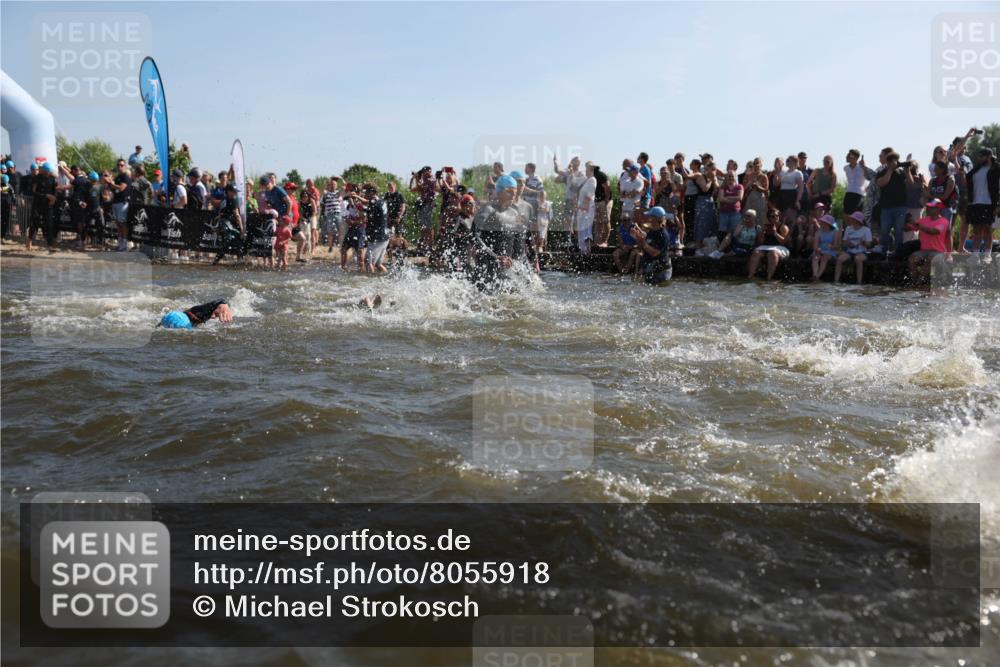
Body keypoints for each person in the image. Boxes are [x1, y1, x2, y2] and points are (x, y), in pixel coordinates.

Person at [460, 174, 530, 291]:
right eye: (509, 191)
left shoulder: (516, 213)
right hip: (486, 267)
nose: (513, 194)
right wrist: (496, 256)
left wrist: (527, 264)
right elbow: (473, 235)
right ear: (499, 192)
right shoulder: (487, 210)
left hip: (506, 269)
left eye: (515, 191)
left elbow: (522, 239)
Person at [964, 148, 999, 263]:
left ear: (989, 156)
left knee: (988, 229)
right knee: (977, 230)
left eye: (982, 156)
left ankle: (987, 255)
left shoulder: (996, 169)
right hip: (975, 203)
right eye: (979, 156)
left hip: (989, 203)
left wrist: (998, 205)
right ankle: (975, 255)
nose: (979, 159)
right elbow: (967, 182)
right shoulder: (976, 170)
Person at [908, 199, 951, 284]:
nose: (928, 209)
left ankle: (920, 282)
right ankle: (914, 280)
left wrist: (918, 225)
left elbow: (933, 232)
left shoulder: (944, 221)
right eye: (928, 207)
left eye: (931, 207)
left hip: (938, 252)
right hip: (924, 250)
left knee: (930, 259)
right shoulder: (923, 220)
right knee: (912, 259)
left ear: (938, 209)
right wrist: (908, 222)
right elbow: (910, 228)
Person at [875, 151, 908, 256]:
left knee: (899, 230)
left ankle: (898, 251)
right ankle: (883, 250)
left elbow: (910, 184)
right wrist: (890, 169)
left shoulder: (902, 172)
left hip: (900, 206)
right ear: (888, 162)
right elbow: (881, 183)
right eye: (891, 161)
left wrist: (908, 170)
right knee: (884, 230)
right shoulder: (882, 172)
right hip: (886, 207)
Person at [631, 206, 672, 284]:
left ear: (655, 218)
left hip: (661, 271)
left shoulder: (663, 235)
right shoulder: (651, 232)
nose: (648, 217)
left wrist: (643, 243)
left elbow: (655, 253)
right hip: (651, 267)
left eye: (650, 216)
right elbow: (644, 248)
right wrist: (637, 238)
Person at [747, 208, 791, 280]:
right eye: (773, 216)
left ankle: (769, 277)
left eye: (777, 216)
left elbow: (784, 242)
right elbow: (760, 241)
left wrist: (775, 233)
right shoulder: (766, 227)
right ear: (769, 218)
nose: (775, 218)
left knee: (772, 253)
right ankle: (750, 275)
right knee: (756, 252)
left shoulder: (783, 227)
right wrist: (763, 232)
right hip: (765, 246)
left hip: (780, 247)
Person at [835, 211, 873, 284]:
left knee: (857, 259)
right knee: (839, 259)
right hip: (849, 252)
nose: (851, 220)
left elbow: (869, 244)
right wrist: (848, 243)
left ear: (857, 221)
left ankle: (859, 282)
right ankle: (836, 280)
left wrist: (863, 243)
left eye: (853, 219)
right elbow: (844, 242)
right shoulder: (848, 228)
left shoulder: (866, 230)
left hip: (862, 252)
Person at [27, 162, 57, 251]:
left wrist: (54, 198)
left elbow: (54, 190)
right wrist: (46, 195)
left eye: (49, 171)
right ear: (43, 170)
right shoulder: (36, 178)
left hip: (48, 205)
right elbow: (34, 192)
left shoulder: (52, 178)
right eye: (46, 171)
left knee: (49, 224)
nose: (48, 173)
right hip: (37, 204)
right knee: (34, 223)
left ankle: (50, 245)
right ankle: (29, 239)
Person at [213, 183, 246, 265]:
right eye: (233, 191)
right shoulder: (233, 199)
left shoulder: (224, 198)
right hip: (227, 225)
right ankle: (240, 260)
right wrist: (242, 228)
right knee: (237, 240)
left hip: (222, 224)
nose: (235, 193)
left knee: (226, 243)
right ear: (228, 191)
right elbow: (237, 214)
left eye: (235, 191)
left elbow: (221, 212)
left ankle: (216, 261)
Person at [410, 166, 438, 252]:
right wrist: (413, 178)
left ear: (430, 171)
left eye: (425, 171)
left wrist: (417, 177)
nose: (424, 173)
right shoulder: (424, 180)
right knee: (423, 226)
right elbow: (412, 189)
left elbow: (421, 186)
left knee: (428, 227)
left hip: (429, 204)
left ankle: (429, 246)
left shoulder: (431, 179)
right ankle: (423, 245)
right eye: (423, 172)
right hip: (423, 204)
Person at [363, 184, 390, 274]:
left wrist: (356, 197)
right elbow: (366, 205)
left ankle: (369, 283)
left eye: (366, 192)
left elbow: (367, 204)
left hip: (377, 238)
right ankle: (387, 277)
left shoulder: (375, 203)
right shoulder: (381, 201)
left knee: (368, 262)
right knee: (378, 264)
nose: (365, 194)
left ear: (373, 193)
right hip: (384, 237)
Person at [158, 299, 233, 329]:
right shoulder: (201, 313)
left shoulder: (199, 312)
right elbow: (220, 300)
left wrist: (223, 305)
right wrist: (223, 304)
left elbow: (221, 301)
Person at [575, 162, 597, 253]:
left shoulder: (592, 180)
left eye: (587, 170)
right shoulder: (588, 180)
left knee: (586, 233)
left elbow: (588, 197)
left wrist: (580, 207)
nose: (585, 171)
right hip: (583, 211)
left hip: (586, 211)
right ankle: (583, 251)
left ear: (591, 170)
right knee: (582, 233)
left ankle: (586, 253)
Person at [810, 214, 840, 281]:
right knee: (815, 257)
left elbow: (836, 246)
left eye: (823, 222)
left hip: (830, 251)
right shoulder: (818, 232)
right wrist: (817, 249)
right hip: (820, 251)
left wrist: (832, 246)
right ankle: (815, 275)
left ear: (828, 224)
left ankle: (818, 276)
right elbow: (815, 245)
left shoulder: (835, 232)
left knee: (824, 258)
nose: (821, 223)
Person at [111, 158, 132, 251]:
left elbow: (121, 188)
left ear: (125, 166)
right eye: (118, 165)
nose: (120, 167)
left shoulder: (125, 176)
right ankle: (120, 244)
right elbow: (113, 188)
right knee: (118, 224)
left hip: (123, 203)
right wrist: (109, 181)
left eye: (122, 165)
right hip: (116, 202)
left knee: (123, 224)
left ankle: (124, 244)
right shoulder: (117, 177)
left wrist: (111, 183)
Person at [717, 171, 744, 236]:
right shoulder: (723, 187)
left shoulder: (739, 186)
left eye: (732, 176)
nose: (730, 178)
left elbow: (740, 197)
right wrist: (733, 199)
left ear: (735, 177)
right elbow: (721, 199)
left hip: (735, 213)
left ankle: (733, 246)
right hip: (724, 213)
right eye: (729, 176)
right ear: (726, 177)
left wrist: (728, 197)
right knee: (723, 231)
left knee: (734, 232)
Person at [531, 189, 552, 272]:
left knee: (542, 234)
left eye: (543, 195)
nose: (542, 197)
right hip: (537, 219)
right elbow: (536, 210)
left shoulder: (547, 203)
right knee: (537, 234)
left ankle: (540, 247)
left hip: (543, 219)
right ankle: (536, 247)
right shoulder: (537, 202)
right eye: (541, 195)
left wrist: (541, 208)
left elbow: (547, 210)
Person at [592, 164, 611, 246]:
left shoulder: (600, 175)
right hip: (597, 201)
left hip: (604, 201)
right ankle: (597, 241)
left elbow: (607, 186)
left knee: (605, 221)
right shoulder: (592, 176)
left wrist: (606, 198)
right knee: (597, 222)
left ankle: (604, 241)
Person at [842, 149, 867, 215]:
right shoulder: (846, 168)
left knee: (856, 215)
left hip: (858, 194)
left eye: (849, 155)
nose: (846, 157)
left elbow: (870, 177)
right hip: (848, 193)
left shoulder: (862, 168)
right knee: (846, 214)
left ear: (855, 158)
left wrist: (864, 166)